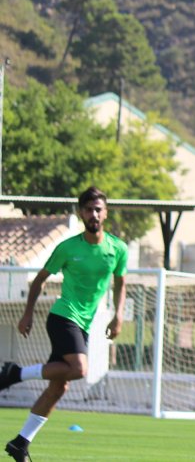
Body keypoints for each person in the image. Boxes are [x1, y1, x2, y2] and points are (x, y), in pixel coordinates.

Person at [0, 186, 128, 462]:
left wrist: (118, 315)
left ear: (105, 213)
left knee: (59, 387)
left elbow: (121, 283)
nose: (93, 214)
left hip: (83, 323)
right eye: (88, 209)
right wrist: (27, 314)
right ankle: (15, 373)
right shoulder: (68, 247)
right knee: (79, 369)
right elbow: (39, 280)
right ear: (81, 213)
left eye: (98, 209)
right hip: (63, 316)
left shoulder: (118, 249)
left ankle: (21, 443)